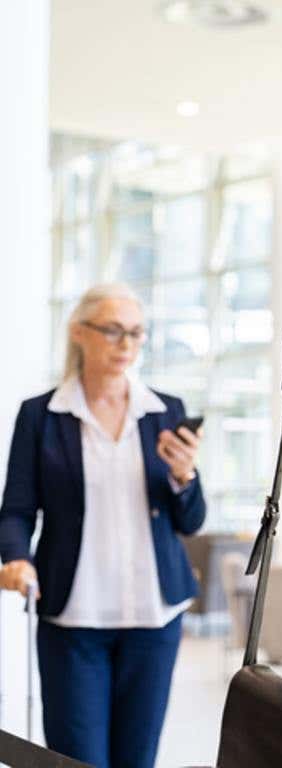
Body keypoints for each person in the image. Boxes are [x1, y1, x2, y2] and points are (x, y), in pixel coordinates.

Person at [0, 283, 207, 768]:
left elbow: (191, 521)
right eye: (113, 331)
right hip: (74, 619)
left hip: (153, 621)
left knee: (138, 759)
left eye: (136, 333)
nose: (125, 345)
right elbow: (16, 509)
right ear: (79, 332)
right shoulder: (42, 415)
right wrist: (17, 559)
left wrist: (184, 476)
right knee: (76, 759)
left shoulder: (164, 412)